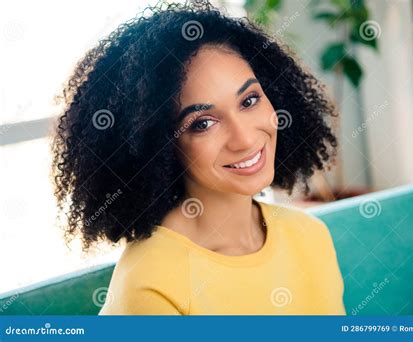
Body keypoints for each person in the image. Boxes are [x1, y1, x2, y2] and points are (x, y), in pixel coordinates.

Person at [51, 0, 345, 315]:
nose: (245, 138)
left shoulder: (310, 237)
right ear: (159, 147)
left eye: (249, 100)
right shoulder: (151, 285)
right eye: (203, 123)